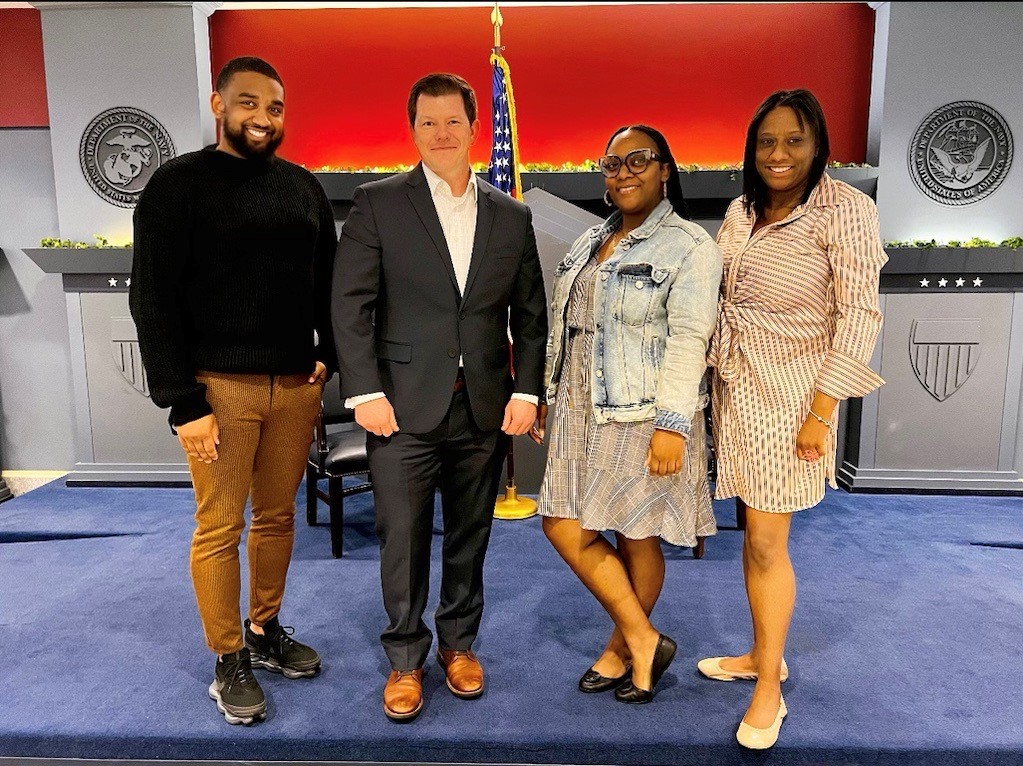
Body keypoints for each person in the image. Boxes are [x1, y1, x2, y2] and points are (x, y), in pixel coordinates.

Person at [332, 72, 548, 722]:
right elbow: (349, 306)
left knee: (469, 536)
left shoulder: (511, 214)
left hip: (481, 405)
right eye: (427, 122)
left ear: (474, 126)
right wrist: (364, 390)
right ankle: (404, 659)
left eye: (452, 120)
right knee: (401, 538)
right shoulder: (377, 202)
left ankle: (458, 646)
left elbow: (530, 314)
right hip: (397, 406)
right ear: (412, 130)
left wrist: (529, 390)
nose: (441, 133)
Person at [130, 56, 337, 725]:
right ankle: (227, 660)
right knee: (220, 526)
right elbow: (152, 297)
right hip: (217, 391)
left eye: (275, 107)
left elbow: (325, 284)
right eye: (248, 103)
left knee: (277, 520)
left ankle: (263, 631)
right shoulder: (177, 184)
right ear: (219, 103)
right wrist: (182, 403)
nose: (262, 118)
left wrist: (327, 355)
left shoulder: (302, 188)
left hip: (294, 388)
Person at [700, 89, 887, 749]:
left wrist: (821, 411)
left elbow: (859, 315)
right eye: (766, 142)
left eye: (793, 141)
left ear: (817, 145)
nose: (778, 155)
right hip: (736, 389)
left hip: (793, 399)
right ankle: (760, 652)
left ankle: (768, 688)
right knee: (752, 531)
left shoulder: (846, 211)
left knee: (764, 543)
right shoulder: (739, 209)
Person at [532, 125, 722, 704]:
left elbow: (691, 340)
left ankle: (622, 648)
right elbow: (564, 326)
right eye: (612, 164)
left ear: (665, 168)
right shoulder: (591, 239)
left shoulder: (691, 246)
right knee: (562, 523)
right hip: (577, 409)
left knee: (635, 534)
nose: (624, 172)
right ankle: (643, 638)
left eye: (638, 160)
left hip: (642, 414)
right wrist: (547, 392)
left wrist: (673, 425)